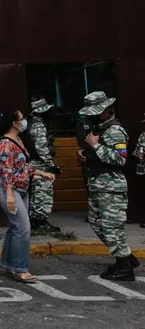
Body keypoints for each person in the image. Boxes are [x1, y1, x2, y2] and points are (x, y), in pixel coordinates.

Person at [77, 91, 139, 281]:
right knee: (97, 224)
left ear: (106, 110)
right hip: (98, 184)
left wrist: (96, 146)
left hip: (111, 187)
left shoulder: (114, 130)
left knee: (112, 228)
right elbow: (99, 158)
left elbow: (121, 159)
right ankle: (127, 258)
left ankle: (124, 268)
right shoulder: (100, 128)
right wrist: (84, 156)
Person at [0, 110, 56, 283]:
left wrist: (42, 173)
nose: (25, 121)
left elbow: (22, 166)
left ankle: (7, 264)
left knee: (15, 228)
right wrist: (9, 196)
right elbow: (6, 171)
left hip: (21, 189)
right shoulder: (5, 145)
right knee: (23, 229)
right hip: (11, 191)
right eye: (22, 118)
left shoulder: (18, 140)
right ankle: (20, 268)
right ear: (14, 123)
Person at [25, 97, 61, 233]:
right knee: (42, 194)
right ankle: (40, 221)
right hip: (40, 164)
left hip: (36, 163)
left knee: (37, 193)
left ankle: (35, 221)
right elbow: (41, 147)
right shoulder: (38, 124)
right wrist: (50, 163)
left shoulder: (33, 122)